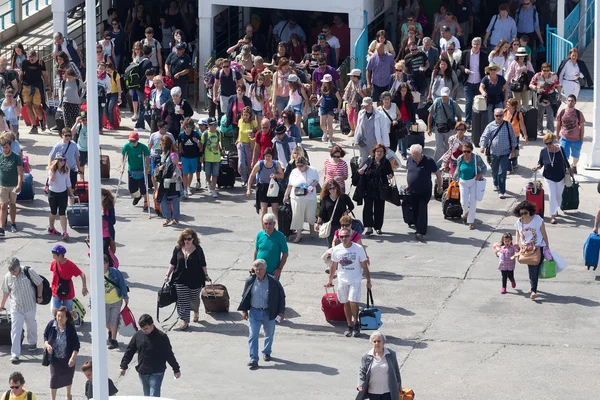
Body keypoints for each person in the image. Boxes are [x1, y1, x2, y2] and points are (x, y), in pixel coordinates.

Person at [238, 259, 286, 370]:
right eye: (256, 269)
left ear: (265, 269)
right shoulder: (250, 281)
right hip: (254, 312)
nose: (258, 272)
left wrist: (281, 312)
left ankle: (267, 351)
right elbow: (245, 296)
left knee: (269, 334)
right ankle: (253, 359)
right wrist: (244, 310)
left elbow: (281, 297)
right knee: (253, 335)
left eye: (260, 269)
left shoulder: (273, 281)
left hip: (269, 312)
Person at [120, 314, 181, 397]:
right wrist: (123, 366)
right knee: (147, 396)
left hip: (156, 373)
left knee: (153, 397)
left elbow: (169, 354)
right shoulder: (138, 335)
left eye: (146, 328)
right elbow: (130, 350)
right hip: (143, 372)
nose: (144, 331)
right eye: (142, 329)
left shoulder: (162, 337)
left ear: (152, 325)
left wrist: (176, 369)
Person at [325, 227, 371, 337]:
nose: (344, 238)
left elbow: (364, 265)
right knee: (345, 302)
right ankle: (349, 325)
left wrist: (369, 280)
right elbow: (333, 265)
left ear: (350, 236)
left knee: (353, 302)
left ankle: (356, 323)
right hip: (342, 280)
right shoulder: (336, 249)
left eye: (346, 236)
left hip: (355, 279)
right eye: (341, 237)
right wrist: (330, 280)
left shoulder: (358, 248)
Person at [0, 257, 43, 364]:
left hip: (30, 306)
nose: (13, 273)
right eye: (11, 271)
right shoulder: (8, 277)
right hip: (16, 307)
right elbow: (6, 292)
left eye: (14, 271)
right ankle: (15, 354)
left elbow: (39, 283)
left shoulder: (29, 271)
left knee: (31, 325)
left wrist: (39, 296)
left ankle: (32, 343)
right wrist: (2, 305)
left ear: (19, 267)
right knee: (15, 330)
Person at [164, 229, 209, 330]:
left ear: (193, 238)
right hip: (180, 279)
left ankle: (196, 311)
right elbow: (173, 263)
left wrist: (206, 274)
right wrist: (167, 274)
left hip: (195, 279)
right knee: (182, 300)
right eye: (185, 239)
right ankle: (185, 321)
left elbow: (203, 263)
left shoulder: (198, 249)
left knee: (194, 299)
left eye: (189, 239)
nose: (186, 241)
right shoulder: (178, 248)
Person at [513, 201, 550, 300]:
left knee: (534, 267)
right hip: (526, 249)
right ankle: (532, 285)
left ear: (530, 211)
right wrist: (517, 242)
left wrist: (547, 246)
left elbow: (544, 232)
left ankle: (534, 290)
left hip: (538, 247)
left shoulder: (538, 220)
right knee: (531, 267)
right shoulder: (519, 222)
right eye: (521, 213)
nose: (523, 215)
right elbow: (517, 230)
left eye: (525, 213)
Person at [533, 133, 572, 224]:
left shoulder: (560, 150)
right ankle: (553, 216)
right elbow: (540, 163)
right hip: (548, 177)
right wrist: (536, 167)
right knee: (552, 196)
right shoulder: (543, 152)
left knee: (558, 197)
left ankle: (555, 207)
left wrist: (571, 172)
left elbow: (566, 162)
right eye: (546, 144)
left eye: (550, 143)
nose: (548, 145)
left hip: (560, 177)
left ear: (553, 141)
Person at [406, 144, 443, 240]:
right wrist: (408, 184)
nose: (414, 157)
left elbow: (438, 173)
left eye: (416, 155)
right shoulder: (410, 160)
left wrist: (439, 186)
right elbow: (409, 172)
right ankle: (417, 224)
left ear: (421, 153)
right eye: (413, 155)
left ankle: (420, 231)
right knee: (415, 209)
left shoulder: (429, 161)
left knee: (422, 209)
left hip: (424, 190)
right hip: (413, 191)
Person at [479, 109, 517, 200]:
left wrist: (513, 150)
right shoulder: (490, 126)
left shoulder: (508, 125)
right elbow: (485, 136)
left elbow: (513, 138)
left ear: (503, 115)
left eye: (500, 115)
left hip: (505, 153)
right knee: (494, 170)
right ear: (494, 116)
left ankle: (501, 191)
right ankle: (495, 183)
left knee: (502, 172)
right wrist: (482, 146)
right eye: (497, 116)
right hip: (494, 153)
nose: (499, 117)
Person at [44, 306, 80, 400]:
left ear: (66, 318)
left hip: (67, 358)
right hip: (55, 359)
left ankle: (68, 394)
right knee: (54, 378)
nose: (60, 318)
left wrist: (72, 358)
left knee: (68, 378)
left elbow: (76, 345)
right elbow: (45, 336)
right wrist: (47, 345)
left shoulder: (70, 328)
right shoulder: (51, 325)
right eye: (58, 316)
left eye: (62, 316)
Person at [358, 144, 394, 236]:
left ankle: (378, 227)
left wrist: (390, 175)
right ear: (374, 152)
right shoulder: (369, 161)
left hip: (381, 189)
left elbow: (390, 172)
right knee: (368, 209)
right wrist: (360, 172)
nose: (379, 153)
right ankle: (369, 228)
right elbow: (361, 170)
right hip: (369, 189)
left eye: (381, 151)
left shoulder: (386, 162)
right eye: (378, 151)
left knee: (379, 209)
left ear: (384, 153)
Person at [283, 156, 319, 243]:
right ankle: (299, 235)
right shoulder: (294, 171)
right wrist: (285, 195)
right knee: (297, 216)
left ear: (305, 164)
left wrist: (311, 186)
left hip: (310, 196)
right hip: (296, 197)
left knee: (310, 215)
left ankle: (312, 229)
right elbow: (290, 184)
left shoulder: (313, 170)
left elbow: (316, 181)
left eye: (301, 166)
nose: (299, 168)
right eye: (297, 165)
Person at [357, 331, 401, 399]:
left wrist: (398, 386)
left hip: (388, 391)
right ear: (371, 342)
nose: (377, 343)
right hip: (373, 392)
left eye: (379, 341)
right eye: (374, 341)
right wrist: (360, 385)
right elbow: (362, 372)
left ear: (383, 342)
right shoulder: (365, 356)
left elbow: (396, 371)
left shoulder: (391, 354)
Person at [453, 142, 487, 230]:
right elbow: (457, 170)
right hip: (463, 182)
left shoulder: (476, 158)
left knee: (473, 203)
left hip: (473, 182)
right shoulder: (460, 158)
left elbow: (484, 168)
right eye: (464, 151)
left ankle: (470, 222)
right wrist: (455, 180)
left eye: (468, 151)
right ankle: (466, 214)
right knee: (463, 202)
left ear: (471, 151)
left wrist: (479, 175)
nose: (466, 153)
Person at [247, 148, 285, 226]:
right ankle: (264, 230)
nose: (267, 158)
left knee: (275, 209)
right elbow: (252, 176)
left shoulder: (276, 164)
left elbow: (282, 176)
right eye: (266, 156)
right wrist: (248, 189)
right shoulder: (259, 164)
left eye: (269, 156)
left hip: (273, 188)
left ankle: (281, 228)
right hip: (262, 188)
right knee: (264, 209)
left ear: (272, 157)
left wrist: (276, 175)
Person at [49, 245, 87, 317]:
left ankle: (76, 317)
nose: (53, 257)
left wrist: (84, 287)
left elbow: (82, 274)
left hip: (68, 292)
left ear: (60, 255)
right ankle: (59, 326)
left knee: (68, 313)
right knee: (55, 310)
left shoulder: (70, 265)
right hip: (55, 291)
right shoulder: (54, 263)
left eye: (54, 255)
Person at [458, 37, 488, 128]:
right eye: (474, 44)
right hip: (468, 82)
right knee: (469, 101)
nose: (475, 46)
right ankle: (468, 121)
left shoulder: (484, 54)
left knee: (479, 102)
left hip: (479, 82)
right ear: (471, 44)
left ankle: (477, 120)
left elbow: (486, 67)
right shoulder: (465, 53)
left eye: (477, 44)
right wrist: (464, 69)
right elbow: (459, 65)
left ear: (480, 45)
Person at [428, 87, 463, 162]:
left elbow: (459, 116)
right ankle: (436, 163)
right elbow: (430, 115)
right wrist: (429, 128)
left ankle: (447, 163)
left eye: (445, 96)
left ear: (448, 95)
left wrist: (458, 129)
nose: (444, 98)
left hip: (450, 128)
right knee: (438, 146)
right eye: (443, 96)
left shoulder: (453, 103)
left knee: (449, 146)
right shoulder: (437, 102)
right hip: (439, 127)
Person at [101, 253, 129, 349]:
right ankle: (111, 331)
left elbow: (122, 284)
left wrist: (125, 296)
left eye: (103, 263)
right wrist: (91, 301)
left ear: (107, 263)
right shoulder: (96, 274)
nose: (101, 265)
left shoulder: (115, 272)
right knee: (104, 321)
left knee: (113, 321)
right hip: (104, 302)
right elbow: (94, 289)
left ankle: (113, 340)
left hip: (116, 300)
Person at [315, 179, 354, 247]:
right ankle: (332, 255)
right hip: (330, 225)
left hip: (342, 225)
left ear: (337, 188)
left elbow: (351, 206)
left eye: (333, 188)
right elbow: (321, 212)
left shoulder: (343, 197)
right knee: (331, 245)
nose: (332, 190)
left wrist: (346, 212)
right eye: (330, 188)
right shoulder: (325, 199)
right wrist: (318, 224)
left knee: (342, 244)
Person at [19, 51, 50, 134]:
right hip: (26, 86)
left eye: (32, 58)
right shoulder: (25, 62)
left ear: (35, 57)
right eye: (29, 58)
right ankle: (34, 126)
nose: (31, 60)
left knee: (36, 107)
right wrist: (20, 84)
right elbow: (21, 74)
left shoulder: (40, 62)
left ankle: (41, 120)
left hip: (37, 86)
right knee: (28, 106)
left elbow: (44, 74)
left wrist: (47, 85)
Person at [155, 136, 182, 226]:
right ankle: (167, 217)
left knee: (175, 199)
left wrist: (164, 167)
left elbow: (175, 166)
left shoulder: (173, 154)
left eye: (161, 144)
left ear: (164, 144)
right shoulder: (164, 154)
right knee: (163, 198)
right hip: (165, 180)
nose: (160, 146)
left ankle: (176, 218)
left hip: (174, 181)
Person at [46, 153, 74, 240]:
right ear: (57, 160)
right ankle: (51, 228)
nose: (63, 162)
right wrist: (54, 172)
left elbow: (68, 182)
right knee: (53, 211)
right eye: (61, 160)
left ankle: (64, 232)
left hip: (63, 193)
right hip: (53, 193)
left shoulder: (66, 169)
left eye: (64, 160)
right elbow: (51, 182)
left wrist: (71, 193)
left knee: (62, 212)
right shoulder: (51, 169)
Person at [121, 131, 151, 212]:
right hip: (131, 170)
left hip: (141, 170)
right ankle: (138, 196)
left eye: (134, 141)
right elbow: (123, 156)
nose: (132, 143)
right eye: (131, 141)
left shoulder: (143, 147)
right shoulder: (127, 147)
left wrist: (147, 168)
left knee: (143, 188)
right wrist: (122, 167)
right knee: (132, 189)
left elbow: (147, 158)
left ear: (137, 140)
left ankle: (146, 202)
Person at [354, 97, 388, 165]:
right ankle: (363, 175)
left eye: (367, 105)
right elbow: (358, 127)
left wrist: (386, 145)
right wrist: (356, 139)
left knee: (376, 162)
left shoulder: (380, 115)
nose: (365, 107)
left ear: (371, 104)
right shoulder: (361, 113)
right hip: (363, 142)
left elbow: (384, 130)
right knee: (363, 161)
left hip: (375, 144)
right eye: (364, 105)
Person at [529, 63, 561, 137]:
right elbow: (530, 84)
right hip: (540, 96)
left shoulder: (553, 75)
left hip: (550, 96)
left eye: (547, 70)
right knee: (540, 114)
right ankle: (539, 129)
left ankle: (550, 130)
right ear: (541, 70)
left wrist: (559, 94)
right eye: (544, 70)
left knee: (550, 113)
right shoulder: (537, 75)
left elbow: (558, 85)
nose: (546, 72)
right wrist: (535, 88)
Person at [0, 137, 23, 237]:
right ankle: (1, 227)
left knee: (12, 204)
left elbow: (19, 173)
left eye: (6, 147)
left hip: (13, 185)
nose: (5, 149)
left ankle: (13, 223)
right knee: (3, 205)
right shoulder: (0, 157)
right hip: (3, 185)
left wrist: (19, 184)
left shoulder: (16, 157)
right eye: (3, 147)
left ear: (10, 147)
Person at [254, 213, 289, 278]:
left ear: (274, 224)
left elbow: (285, 254)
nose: (268, 226)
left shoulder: (280, 236)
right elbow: (256, 251)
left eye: (270, 223)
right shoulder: (260, 235)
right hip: (259, 271)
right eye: (266, 223)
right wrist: (254, 266)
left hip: (273, 272)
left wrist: (279, 269)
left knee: (272, 288)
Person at [49, 129, 82, 197]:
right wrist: (51, 169)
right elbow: (51, 158)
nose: (68, 137)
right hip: (61, 170)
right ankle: (64, 204)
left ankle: (70, 205)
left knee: (72, 190)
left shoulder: (74, 145)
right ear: (62, 135)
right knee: (62, 189)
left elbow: (77, 157)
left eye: (69, 135)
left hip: (72, 170)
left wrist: (79, 168)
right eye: (66, 135)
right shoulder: (57, 146)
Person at [556, 95, 585, 174]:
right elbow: (558, 124)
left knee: (576, 156)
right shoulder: (562, 112)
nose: (570, 102)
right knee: (564, 155)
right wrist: (557, 135)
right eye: (569, 100)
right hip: (565, 138)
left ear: (575, 102)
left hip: (576, 139)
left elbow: (582, 127)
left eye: (572, 101)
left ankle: (574, 166)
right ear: (566, 101)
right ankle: (565, 169)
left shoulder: (579, 114)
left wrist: (581, 138)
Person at [177, 118, 202, 197]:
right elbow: (179, 147)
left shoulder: (196, 134)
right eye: (187, 126)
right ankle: (185, 190)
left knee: (191, 173)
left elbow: (200, 147)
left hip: (194, 157)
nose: (188, 128)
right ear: (184, 126)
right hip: (184, 157)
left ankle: (188, 187)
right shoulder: (181, 135)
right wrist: (178, 157)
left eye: (190, 126)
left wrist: (197, 142)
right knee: (185, 173)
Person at [317, 74, 342, 147]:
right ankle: (325, 133)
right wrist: (318, 103)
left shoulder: (334, 89)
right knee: (322, 124)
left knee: (330, 124)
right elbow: (322, 96)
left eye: (325, 82)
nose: (323, 83)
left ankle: (330, 140)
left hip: (331, 108)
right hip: (323, 107)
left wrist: (338, 108)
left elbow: (339, 99)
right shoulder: (323, 88)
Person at [503, 98, 527, 172]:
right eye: (507, 103)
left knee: (515, 150)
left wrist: (525, 135)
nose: (506, 105)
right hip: (505, 135)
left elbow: (522, 125)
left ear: (513, 106)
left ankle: (514, 163)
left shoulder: (518, 114)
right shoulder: (504, 112)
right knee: (506, 150)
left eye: (508, 104)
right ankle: (508, 167)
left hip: (515, 135)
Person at [404, 41, 430, 106]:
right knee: (415, 99)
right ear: (409, 49)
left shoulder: (422, 54)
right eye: (412, 50)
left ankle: (420, 112)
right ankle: (415, 113)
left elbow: (427, 63)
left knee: (422, 98)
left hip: (422, 80)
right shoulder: (407, 57)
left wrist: (425, 68)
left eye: (416, 49)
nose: (414, 51)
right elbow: (406, 70)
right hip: (413, 81)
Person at [342, 69, 367, 137]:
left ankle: (356, 132)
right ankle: (352, 130)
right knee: (350, 118)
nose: (350, 77)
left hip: (357, 104)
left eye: (352, 76)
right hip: (350, 103)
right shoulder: (350, 83)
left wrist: (360, 92)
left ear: (356, 77)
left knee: (355, 119)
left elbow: (366, 97)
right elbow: (346, 93)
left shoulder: (362, 85)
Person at [236, 107, 257, 187]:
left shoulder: (253, 123)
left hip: (249, 144)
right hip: (241, 144)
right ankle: (244, 179)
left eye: (247, 115)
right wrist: (238, 139)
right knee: (241, 163)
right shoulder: (240, 121)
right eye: (244, 115)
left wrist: (253, 135)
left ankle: (251, 180)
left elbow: (258, 131)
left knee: (249, 163)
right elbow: (239, 132)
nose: (245, 117)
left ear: (250, 116)